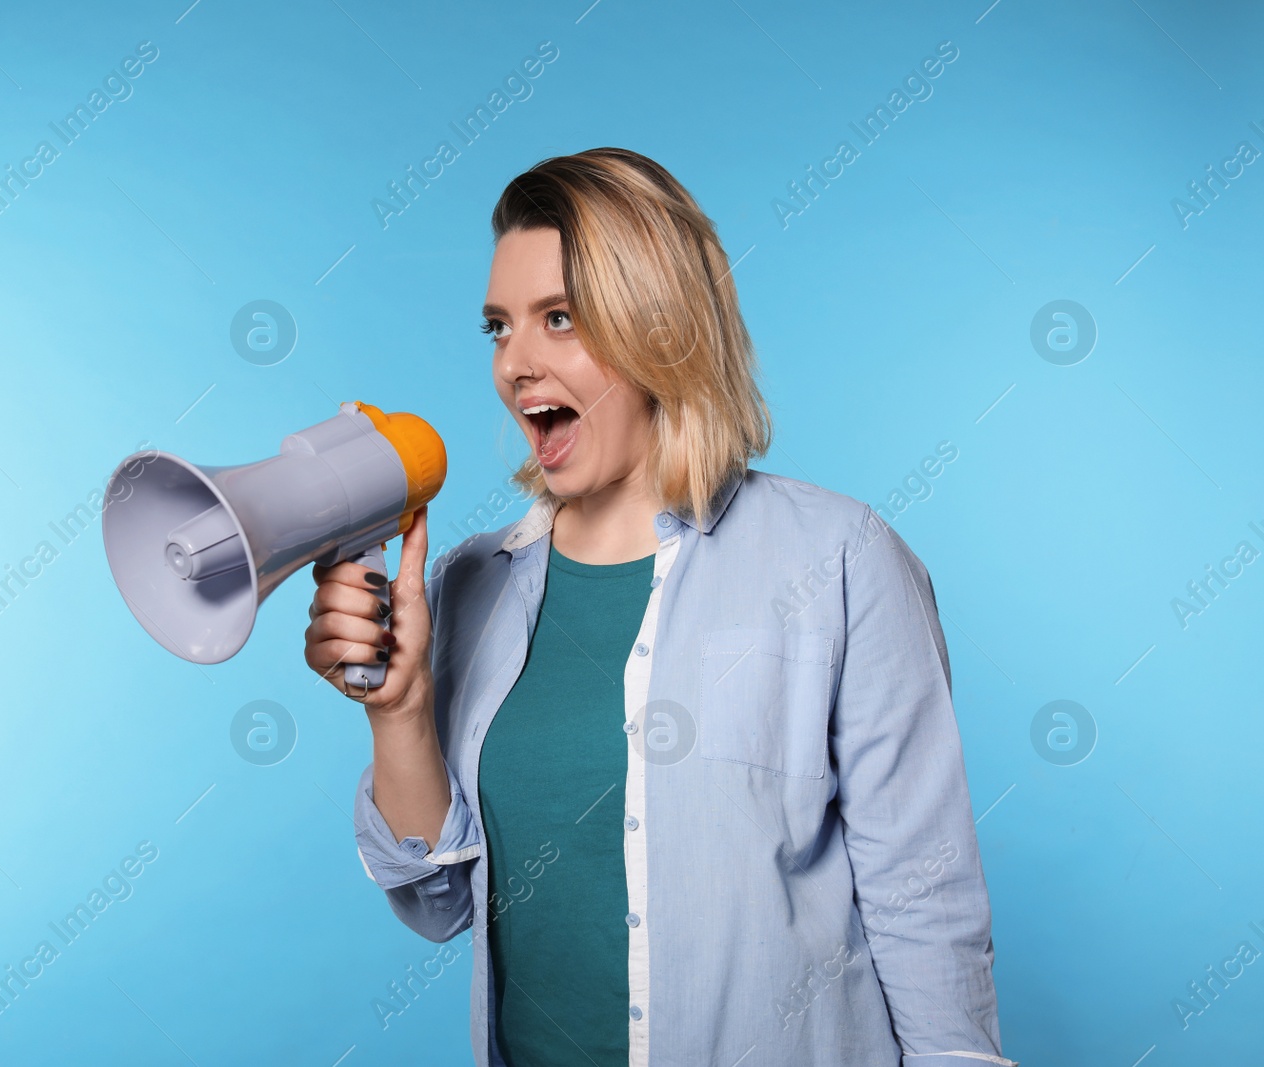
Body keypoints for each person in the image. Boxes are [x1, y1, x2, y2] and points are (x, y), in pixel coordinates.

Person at [304, 147, 1013, 1067]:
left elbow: (926, 901)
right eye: (499, 328)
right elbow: (441, 909)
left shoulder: (839, 560)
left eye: (559, 318)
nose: (516, 363)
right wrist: (397, 713)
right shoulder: (472, 587)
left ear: (661, 327)